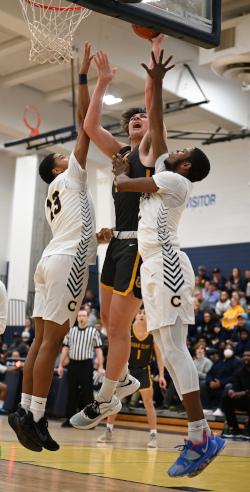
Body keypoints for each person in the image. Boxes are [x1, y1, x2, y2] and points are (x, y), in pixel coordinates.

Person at [112, 50, 225, 478]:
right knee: (168, 347)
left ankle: (201, 434)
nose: (171, 148)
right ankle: (199, 434)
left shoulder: (174, 180)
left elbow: (124, 182)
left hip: (170, 264)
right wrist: (155, 83)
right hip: (157, 265)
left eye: (180, 150)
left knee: (174, 349)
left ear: (186, 165)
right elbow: (158, 129)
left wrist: (121, 168)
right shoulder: (168, 169)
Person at [7, 43, 108, 453]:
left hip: (51, 258)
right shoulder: (72, 177)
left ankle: (25, 412)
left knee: (39, 341)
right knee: (52, 341)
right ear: (56, 167)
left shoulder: (57, 193)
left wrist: (96, 237)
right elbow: (87, 125)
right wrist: (87, 79)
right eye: (62, 156)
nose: (71, 154)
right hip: (66, 263)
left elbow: (75, 229)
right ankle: (32, 416)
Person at [70, 36, 167, 429]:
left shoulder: (152, 152)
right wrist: (103, 80)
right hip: (116, 246)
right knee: (110, 325)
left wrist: (155, 50)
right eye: (133, 119)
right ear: (126, 129)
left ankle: (106, 399)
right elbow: (90, 125)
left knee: (118, 326)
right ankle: (122, 378)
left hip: (139, 248)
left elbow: (153, 100)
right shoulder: (120, 156)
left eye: (143, 118)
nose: (138, 120)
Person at [97, 307, 166, 448]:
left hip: (143, 371)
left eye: (145, 313)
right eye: (139, 313)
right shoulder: (129, 330)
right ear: (135, 315)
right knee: (115, 401)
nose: (142, 315)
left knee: (148, 403)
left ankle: (153, 435)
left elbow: (159, 357)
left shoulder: (152, 334)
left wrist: (162, 375)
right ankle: (109, 431)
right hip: (127, 370)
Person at [58, 308, 103, 427]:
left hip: (86, 365)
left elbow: (98, 350)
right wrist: (60, 364)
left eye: (83, 316)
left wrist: (100, 366)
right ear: (77, 318)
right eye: (79, 316)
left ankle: (88, 421)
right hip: (73, 364)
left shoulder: (93, 332)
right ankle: (69, 419)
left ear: (87, 317)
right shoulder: (71, 331)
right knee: (71, 391)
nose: (81, 318)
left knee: (87, 393)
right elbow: (65, 348)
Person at [221, 350, 250, 439]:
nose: (246, 357)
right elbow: (235, 385)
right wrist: (231, 391)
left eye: (248, 355)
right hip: (243, 400)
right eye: (244, 355)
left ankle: (248, 430)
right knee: (226, 397)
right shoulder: (239, 372)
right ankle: (235, 428)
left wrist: (243, 393)